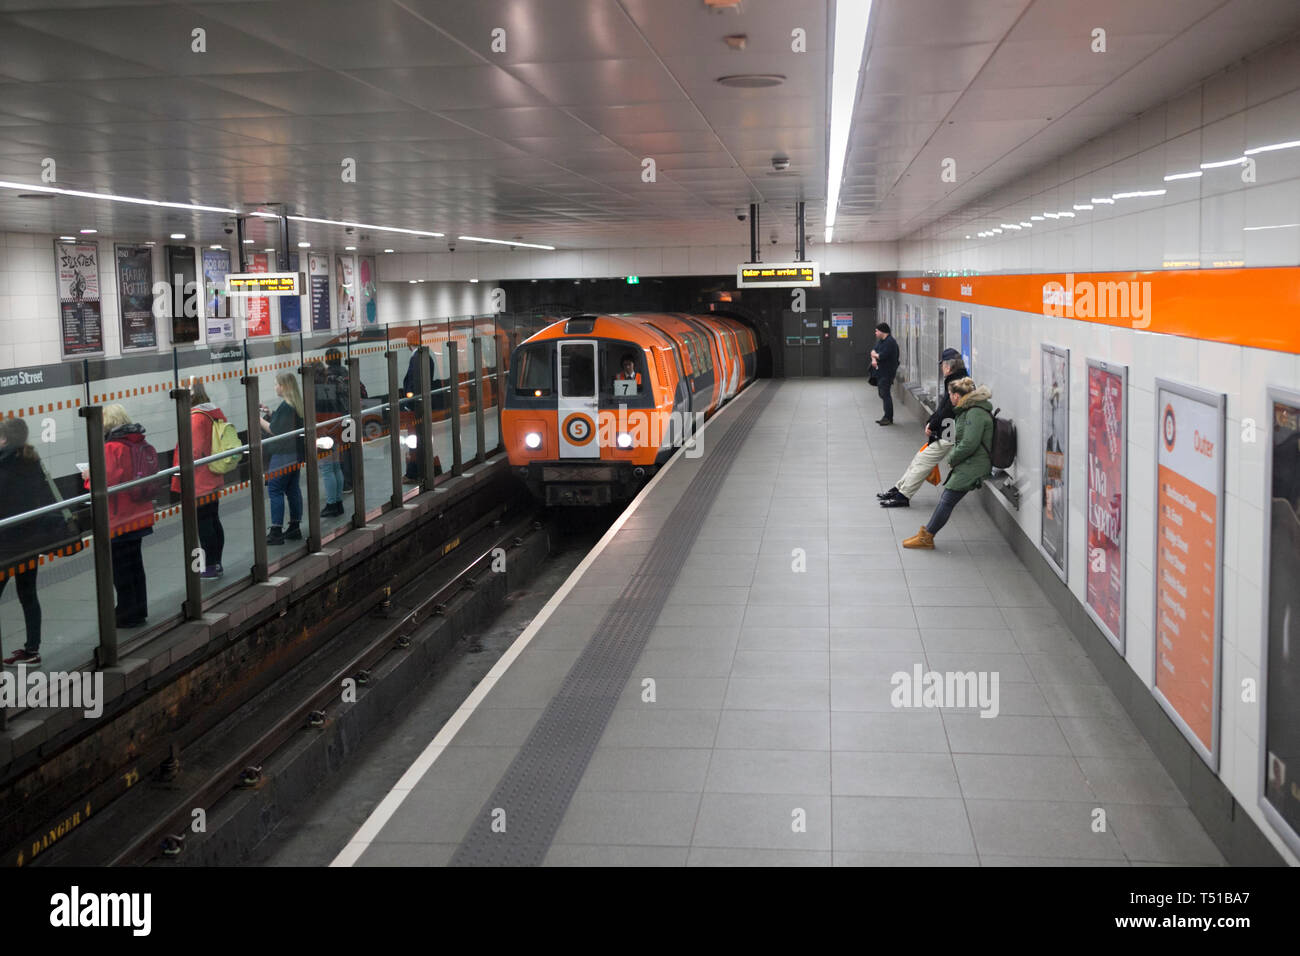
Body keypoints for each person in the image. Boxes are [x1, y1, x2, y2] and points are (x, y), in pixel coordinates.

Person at [903, 378, 993, 549]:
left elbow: (969, 443)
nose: (949, 397)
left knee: (947, 500)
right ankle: (927, 534)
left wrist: (952, 459)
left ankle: (927, 537)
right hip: (969, 462)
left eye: (950, 394)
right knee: (947, 499)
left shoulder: (974, 413)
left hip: (973, 465)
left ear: (957, 396)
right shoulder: (969, 410)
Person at [0, 417, 58, 666]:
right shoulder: (31, 460)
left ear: (5, 438)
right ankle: (32, 650)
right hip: (30, 540)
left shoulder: (3, 464)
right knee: (28, 594)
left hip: (6, 543)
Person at [880, 349, 967, 508]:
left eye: (942, 365)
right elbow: (943, 408)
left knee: (923, 461)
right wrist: (932, 421)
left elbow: (947, 410)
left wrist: (932, 424)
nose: (941, 368)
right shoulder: (959, 379)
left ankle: (903, 495)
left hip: (950, 431)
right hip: (949, 429)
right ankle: (899, 488)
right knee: (921, 458)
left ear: (948, 366)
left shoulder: (956, 382)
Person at [98, 404, 155, 626]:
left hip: (119, 517)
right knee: (135, 564)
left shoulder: (112, 447)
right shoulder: (138, 440)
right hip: (140, 514)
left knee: (120, 567)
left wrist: (88, 477)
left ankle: (126, 613)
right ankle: (139, 609)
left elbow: (108, 482)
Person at [172, 379, 228, 579]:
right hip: (212, 476)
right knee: (213, 519)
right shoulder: (212, 412)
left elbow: (194, 451)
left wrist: (181, 467)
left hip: (199, 480)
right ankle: (217, 562)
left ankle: (209, 566)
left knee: (203, 524)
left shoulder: (196, 418)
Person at [260, 373, 304, 545]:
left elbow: (274, 430)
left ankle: (276, 531)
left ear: (284, 386)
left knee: (275, 489)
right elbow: (284, 424)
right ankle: (295, 526)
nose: (275, 387)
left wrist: (257, 419)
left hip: (283, 454)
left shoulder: (286, 406)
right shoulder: (295, 404)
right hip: (295, 453)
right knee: (292, 489)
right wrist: (271, 412)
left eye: (276, 384)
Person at [402, 344, 439, 484]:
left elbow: (412, 383)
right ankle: (425, 470)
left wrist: (409, 404)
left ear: (409, 344)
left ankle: (413, 473)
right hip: (423, 403)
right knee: (422, 438)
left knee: (413, 440)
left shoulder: (416, 357)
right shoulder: (427, 356)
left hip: (415, 407)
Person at [318, 353, 347, 517]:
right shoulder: (329, 387)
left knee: (327, 469)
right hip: (334, 430)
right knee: (336, 467)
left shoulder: (318, 391)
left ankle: (331, 504)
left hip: (324, 433)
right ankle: (338, 502)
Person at [870, 322, 899, 425]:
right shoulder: (882, 341)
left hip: (887, 373)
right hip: (881, 372)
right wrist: (874, 357)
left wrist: (875, 355)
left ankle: (888, 417)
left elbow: (882, 355)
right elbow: (873, 351)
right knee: (882, 394)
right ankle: (886, 415)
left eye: (877, 331)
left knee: (885, 395)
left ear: (882, 331)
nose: (876, 333)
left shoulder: (890, 342)